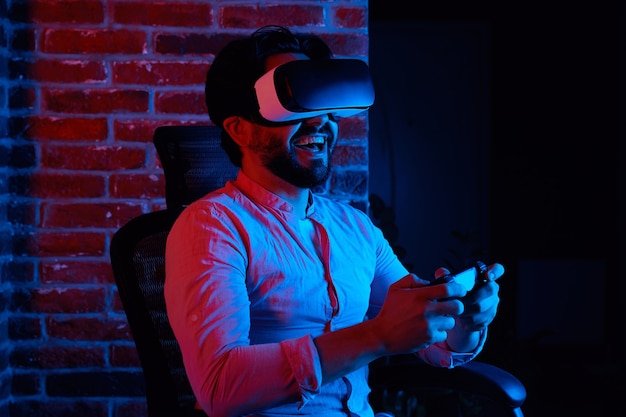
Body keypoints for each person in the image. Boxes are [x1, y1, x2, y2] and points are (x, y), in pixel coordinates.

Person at [164, 25, 504, 417]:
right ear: (240, 129)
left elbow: (429, 339)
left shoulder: (355, 228)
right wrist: (375, 336)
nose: (318, 122)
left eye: (323, 104)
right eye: (293, 106)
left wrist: (466, 321)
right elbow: (220, 389)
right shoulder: (212, 227)